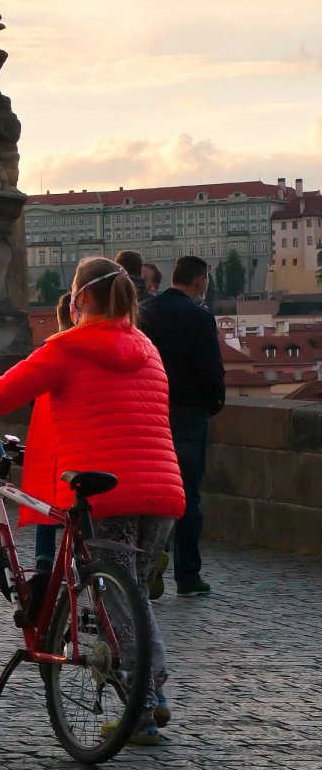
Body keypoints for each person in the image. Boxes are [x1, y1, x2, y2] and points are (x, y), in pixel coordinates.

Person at [0, 255, 185, 743]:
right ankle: (155, 690)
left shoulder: (68, 348)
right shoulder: (146, 348)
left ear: (80, 298)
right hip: (162, 490)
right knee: (130, 595)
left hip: (106, 492)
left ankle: (143, 706)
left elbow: (2, 392)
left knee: (118, 599)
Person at [138, 254, 224, 599]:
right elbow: (212, 372)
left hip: (149, 413)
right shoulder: (199, 317)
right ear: (200, 281)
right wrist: (212, 405)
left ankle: (148, 564)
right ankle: (187, 576)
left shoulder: (145, 311)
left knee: (150, 494)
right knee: (187, 496)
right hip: (188, 413)